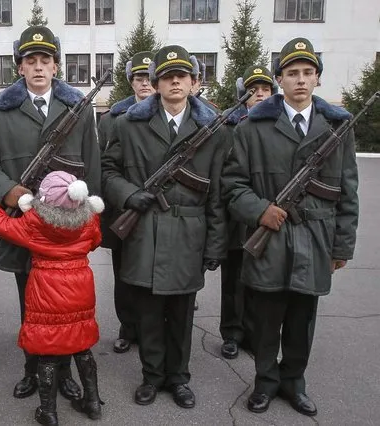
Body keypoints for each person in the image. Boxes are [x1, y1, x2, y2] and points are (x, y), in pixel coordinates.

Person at [221, 37, 359, 416]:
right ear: (279, 80)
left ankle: (294, 383)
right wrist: (259, 210)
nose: (300, 80)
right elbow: (232, 186)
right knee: (265, 322)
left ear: (317, 79)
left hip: (315, 239)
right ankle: (265, 383)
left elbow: (348, 192)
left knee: (302, 321)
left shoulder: (336, 128)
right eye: (292, 73)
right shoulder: (252, 129)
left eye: (307, 73)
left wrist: (342, 246)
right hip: (270, 241)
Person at [0, 25, 100, 401]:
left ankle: (62, 374)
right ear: (20, 68)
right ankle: (33, 369)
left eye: (46, 60)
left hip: (67, 230)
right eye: (31, 61)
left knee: (70, 309)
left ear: (56, 67)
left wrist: (91, 221)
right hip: (26, 226)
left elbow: (92, 167)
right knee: (32, 307)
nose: (39, 67)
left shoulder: (78, 109)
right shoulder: (0, 114)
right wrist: (10, 193)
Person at [102, 45, 228, 408]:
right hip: (144, 231)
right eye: (167, 76)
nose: (175, 81)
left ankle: (179, 378)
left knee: (182, 313)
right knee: (149, 311)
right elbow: (107, 171)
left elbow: (218, 193)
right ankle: (152, 376)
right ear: (155, 83)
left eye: (182, 76)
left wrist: (216, 244)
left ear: (193, 83)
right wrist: (129, 194)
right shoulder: (128, 125)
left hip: (190, 233)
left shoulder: (214, 131)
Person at [0, 171, 104, 426]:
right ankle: (92, 402)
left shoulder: (35, 221)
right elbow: (95, 241)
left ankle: (48, 413)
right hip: (80, 287)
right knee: (81, 343)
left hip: (45, 289)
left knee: (47, 348)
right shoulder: (89, 219)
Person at [98, 51, 155, 354]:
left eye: (148, 77)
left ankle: (150, 330)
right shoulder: (112, 119)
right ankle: (127, 327)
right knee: (123, 274)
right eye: (138, 78)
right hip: (123, 209)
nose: (144, 83)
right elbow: (104, 165)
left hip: (157, 211)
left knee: (150, 277)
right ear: (131, 82)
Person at [219, 65, 277, 359]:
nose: (259, 95)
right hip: (234, 218)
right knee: (233, 281)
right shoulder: (228, 126)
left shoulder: (277, 127)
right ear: (244, 95)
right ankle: (231, 333)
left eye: (265, 90)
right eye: (253, 91)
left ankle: (253, 334)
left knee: (260, 282)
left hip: (265, 219)